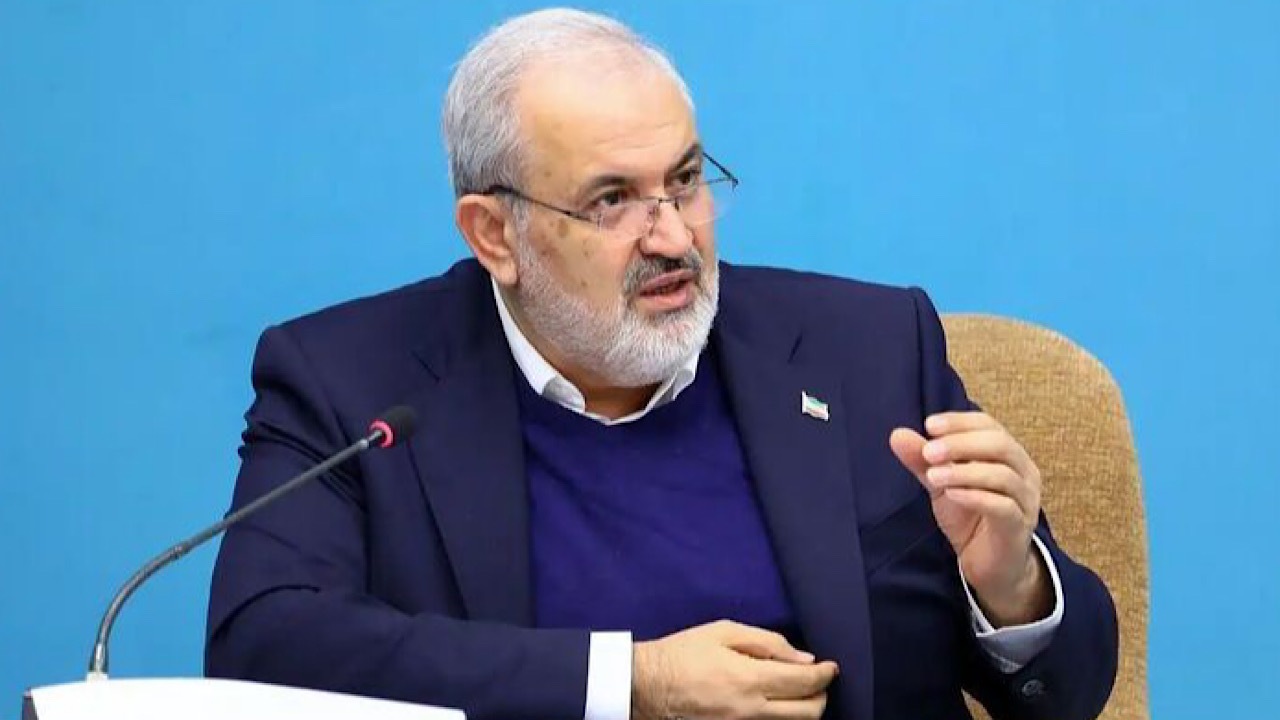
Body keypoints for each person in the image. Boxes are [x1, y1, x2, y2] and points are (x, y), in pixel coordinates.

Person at [205, 8, 1118, 720]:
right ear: (495, 235)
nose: (675, 237)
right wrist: (631, 685)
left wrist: (1012, 585)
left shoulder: (869, 346)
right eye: (613, 200)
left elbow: (1067, 699)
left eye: (685, 180)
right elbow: (263, 647)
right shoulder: (352, 385)